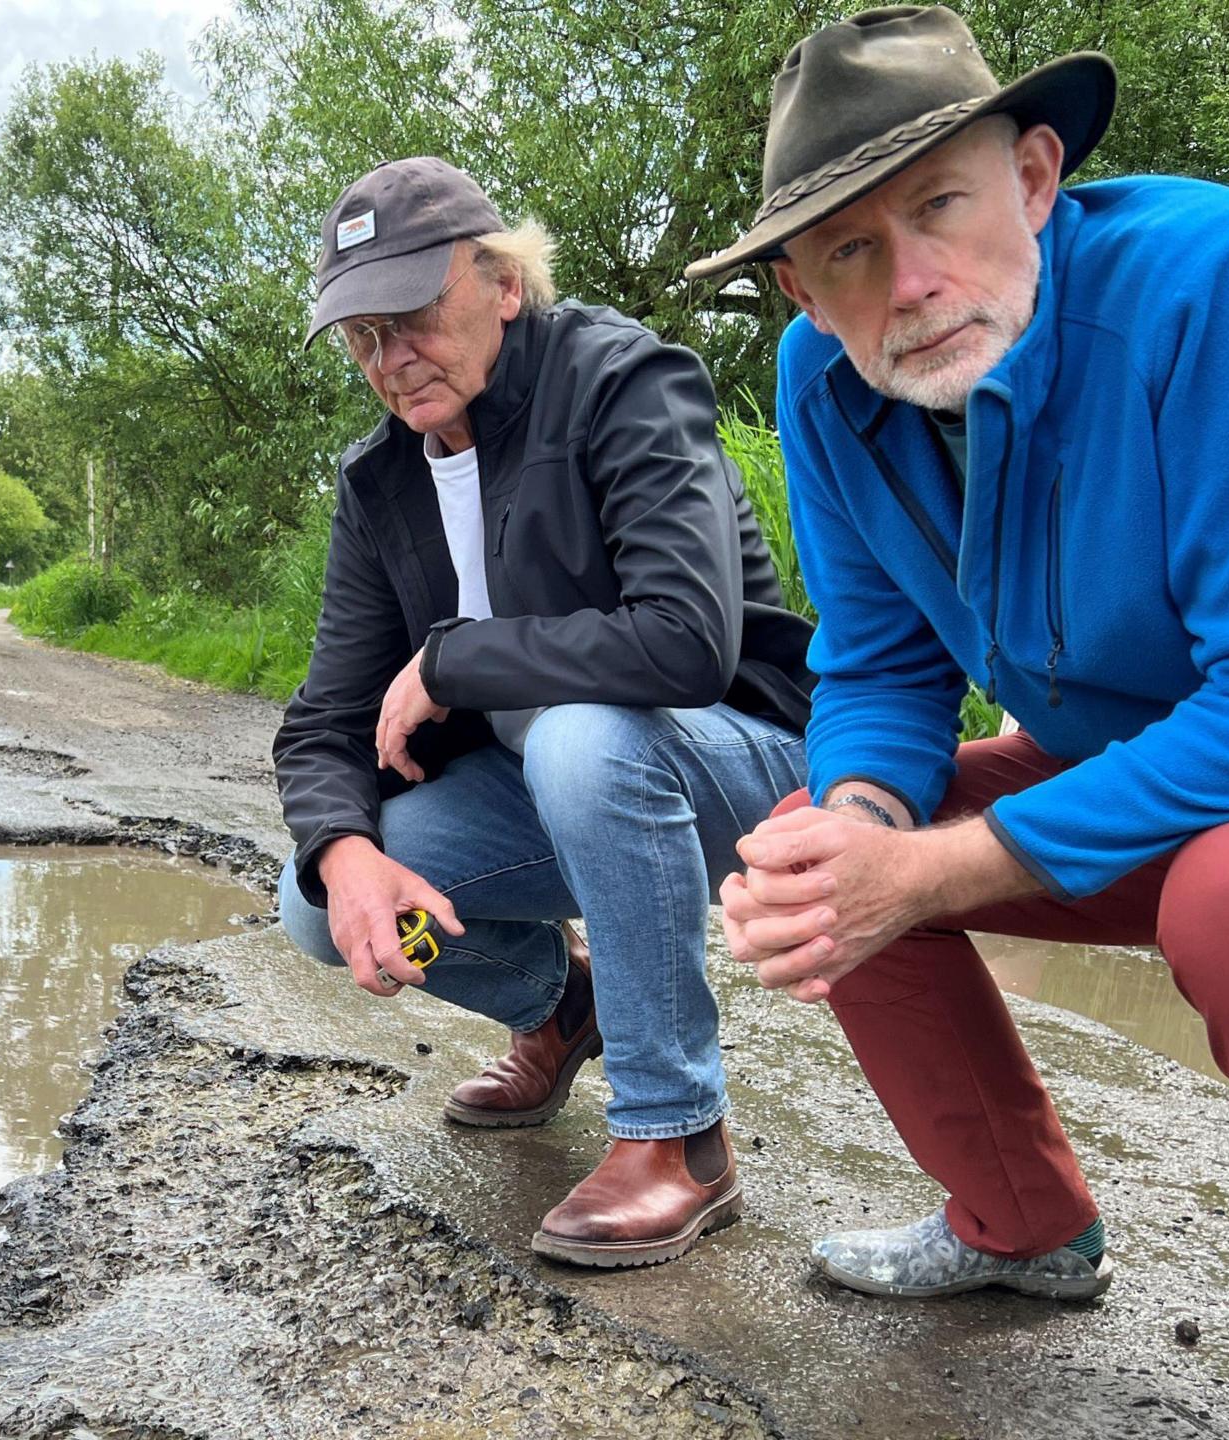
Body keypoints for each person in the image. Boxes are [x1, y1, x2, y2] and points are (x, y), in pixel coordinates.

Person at [690, 8, 1229, 1437]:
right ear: (799, 290)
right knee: (818, 854)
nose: (911, 282)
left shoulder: (1217, 280)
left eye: (941, 207)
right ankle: (1020, 1226)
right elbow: (880, 668)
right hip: (1175, 748)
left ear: (1036, 179)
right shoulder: (825, 387)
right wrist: (866, 829)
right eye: (851, 249)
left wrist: (939, 867)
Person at [271, 156, 814, 1267]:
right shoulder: (379, 484)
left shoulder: (622, 380)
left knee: (578, 734)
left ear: (502, 283)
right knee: (315, 904)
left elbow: (684, 641)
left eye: (412, 313)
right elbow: (324, 720)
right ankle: (558, 1004)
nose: (390, 357)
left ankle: (679, 1136)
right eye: (362, 336)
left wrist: (456, 660)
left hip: (740, 763)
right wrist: (341, 849)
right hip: (554, 791)